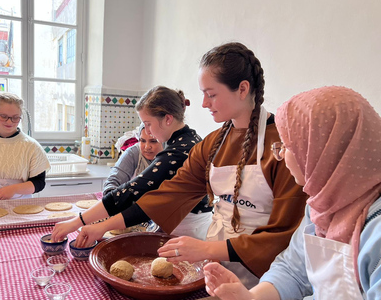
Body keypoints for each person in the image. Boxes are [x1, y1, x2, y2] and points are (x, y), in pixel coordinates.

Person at [65, 42, 307, 288]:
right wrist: (100, 227)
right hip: (215, 268)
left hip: (266, 279)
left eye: (211, 94)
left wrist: (207, 248)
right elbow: (169, 194)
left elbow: (284, 233)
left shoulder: (284, 147)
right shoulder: (213, 144)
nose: (203, 103)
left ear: (243, 88)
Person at [203, 86, 381, 300]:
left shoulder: (375, 232)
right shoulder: (318, 208)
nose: (281, 155)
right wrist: (252, 298)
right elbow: (292, 271)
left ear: (325, 152)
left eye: (287, 146)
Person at [51, 86, 213, 241]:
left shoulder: (178, 152)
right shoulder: (188, 139)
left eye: (148, 123)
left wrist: (77, 222)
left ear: (168, 119)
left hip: (190, 230)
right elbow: (148, 203)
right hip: (185, 225)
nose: (147, 130)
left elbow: (131, 193)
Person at [102, 123, 164, 195]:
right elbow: (113, 181)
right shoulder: (133, 153)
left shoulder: (173, 155)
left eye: (153, 141)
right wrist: (112, 197)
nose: (147, 147)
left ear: (164, 141)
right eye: (142, 141)